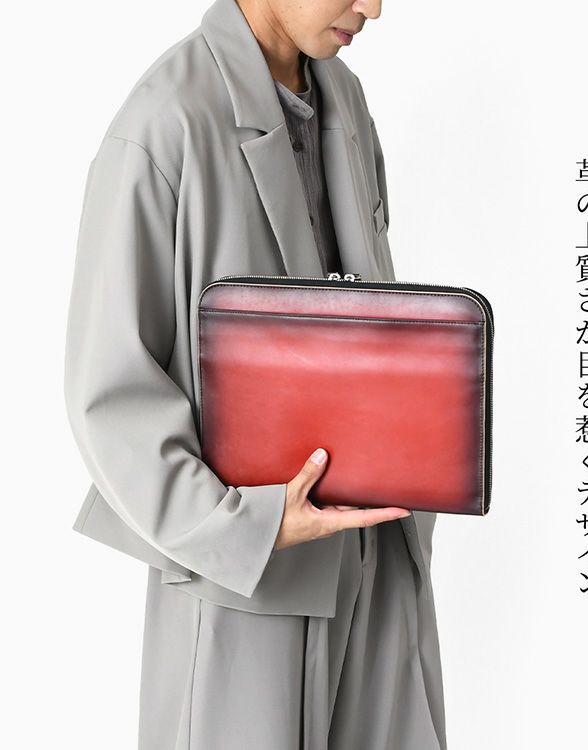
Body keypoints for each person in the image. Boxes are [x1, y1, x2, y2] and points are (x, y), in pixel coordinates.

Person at [64, 0, 447, 748]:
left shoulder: (343, 97)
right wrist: (246, 525)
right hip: (250, 581)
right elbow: (107, 390)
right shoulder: (164, 124)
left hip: (373, 557)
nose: (374, 7)